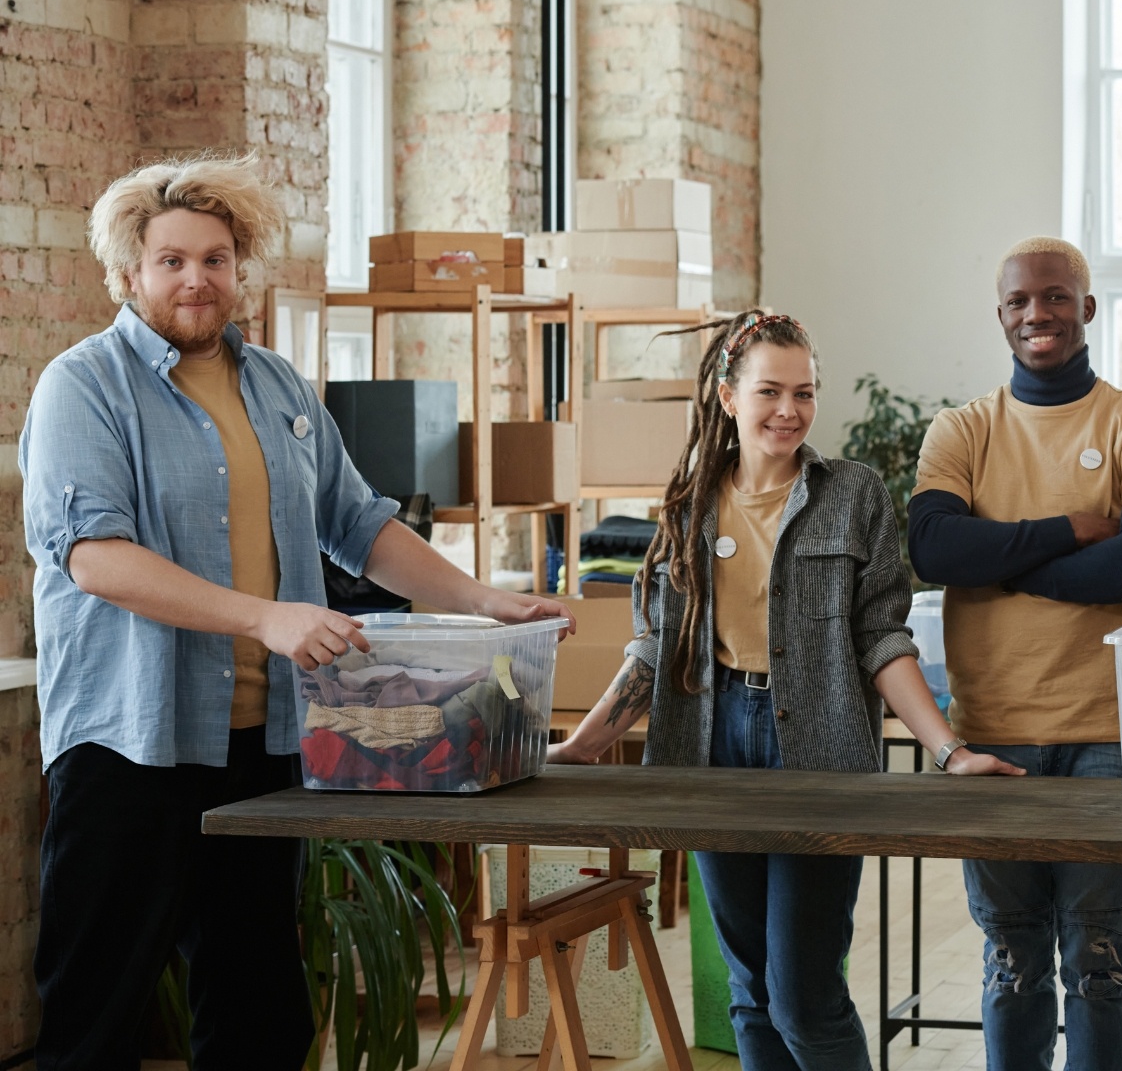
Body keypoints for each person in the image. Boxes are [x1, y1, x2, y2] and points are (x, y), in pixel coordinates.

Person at [19, 155, 575, 1070]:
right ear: (127, 274)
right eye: (171, 261)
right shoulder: (83, 386)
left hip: (263, 744)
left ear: (242, 268)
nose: (197, 278)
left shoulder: (276, 384)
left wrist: (484, 600)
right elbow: (94, 557)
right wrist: (264, 618)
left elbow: (359, 526)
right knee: (96, 1019)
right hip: (131, 747)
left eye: (216, 258)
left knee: (260, 1013)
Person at [548, 310, 1019, 1071]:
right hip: (709, 741)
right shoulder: (687, 504)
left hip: (821, 747)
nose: (789, 410)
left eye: (804, 392)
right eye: (770, 391)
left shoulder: (854, 492)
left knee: (803, 993)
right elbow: (653, 646)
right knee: (750, 990)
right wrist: (582, 746)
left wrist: (948, 748)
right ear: (729, 397)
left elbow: (882, 637)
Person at [908, 237, 1122, 1071]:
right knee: (1011, 958)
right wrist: (1067, 530)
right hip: (992, 732)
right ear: (1001, 317)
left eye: (1056, 297)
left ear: (1086, 308)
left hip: (1109, 730)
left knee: (1100, 959)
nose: (1039, 315)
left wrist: (1003, 563)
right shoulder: (963, 428)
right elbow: (933, 550)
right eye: (1021, 302)